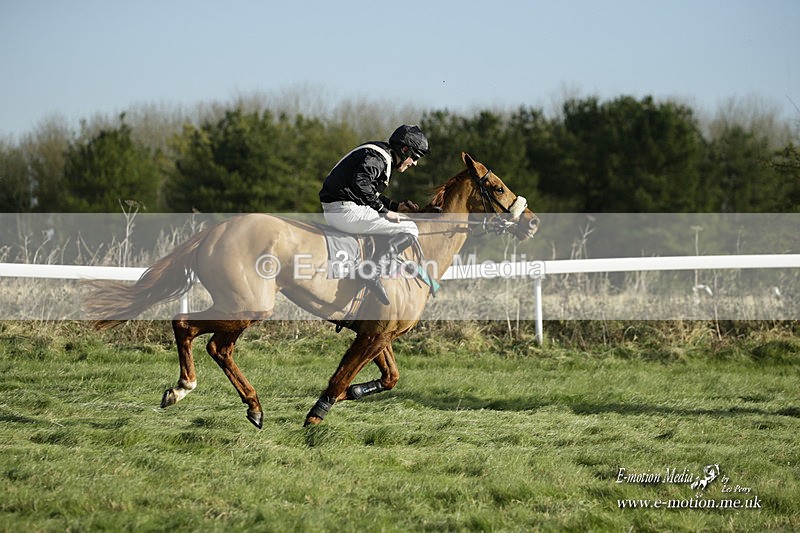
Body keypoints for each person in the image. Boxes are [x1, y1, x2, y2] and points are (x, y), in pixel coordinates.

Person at [319, 124, 430, 305]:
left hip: (340, 208)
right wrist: (384, 211)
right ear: (404, 150)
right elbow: (361, 184)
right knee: (410, 228)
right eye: (415, 157)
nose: (415, 163)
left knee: (403, 221)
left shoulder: (379, 154)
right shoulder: (378, 158)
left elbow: (368, 191)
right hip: (345, 211)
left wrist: (396, 206)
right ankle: (371, 271)